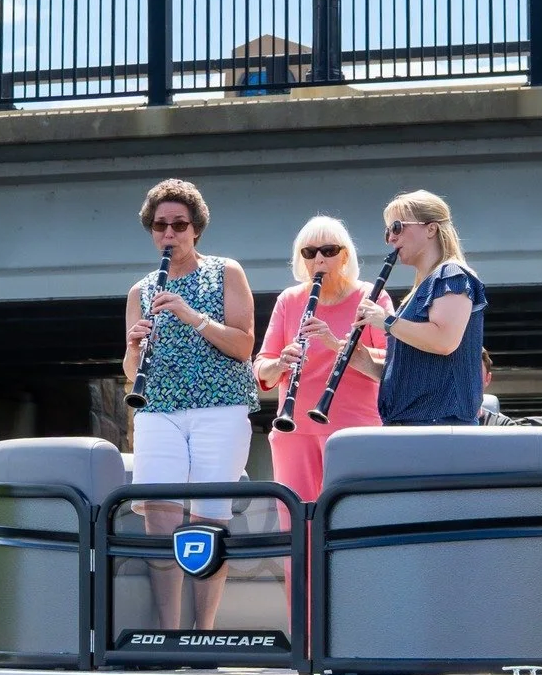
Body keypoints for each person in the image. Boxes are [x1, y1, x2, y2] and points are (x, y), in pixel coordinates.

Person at [122, 177, 257, 630]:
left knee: (207, 518)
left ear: (195, 228)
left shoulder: (226, 272)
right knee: (158, 518)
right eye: (160, 225)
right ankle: (168, 632)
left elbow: (243, 346)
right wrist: (135, 347)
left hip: (219, 408)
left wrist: (191, 315)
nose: (169, 234)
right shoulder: (139, 291)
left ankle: (204, 633)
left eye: (179, 224)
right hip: (158, 409)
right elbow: (129, 370)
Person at [254, 215, 393, 503]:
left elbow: (393, 361)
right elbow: (261, 368)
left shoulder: (371, 297)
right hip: (294, 429)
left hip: (355, 428)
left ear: (344, 256)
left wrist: (336, 344)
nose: (319, 259)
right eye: (309, 252)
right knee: (296, 518)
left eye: (328, 251)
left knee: (355, 514)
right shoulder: (289, 300)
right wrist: (281, 363)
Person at [350, 190, 487, 425]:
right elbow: (419, 372)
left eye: (397, 227)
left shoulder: (451, 275)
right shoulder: (419, 290)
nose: (390, 238)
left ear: (431, 229)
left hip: (440, 427)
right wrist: (366, 363)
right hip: (413, 426)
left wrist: (387, 321)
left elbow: (444, 341)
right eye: (387, 231)